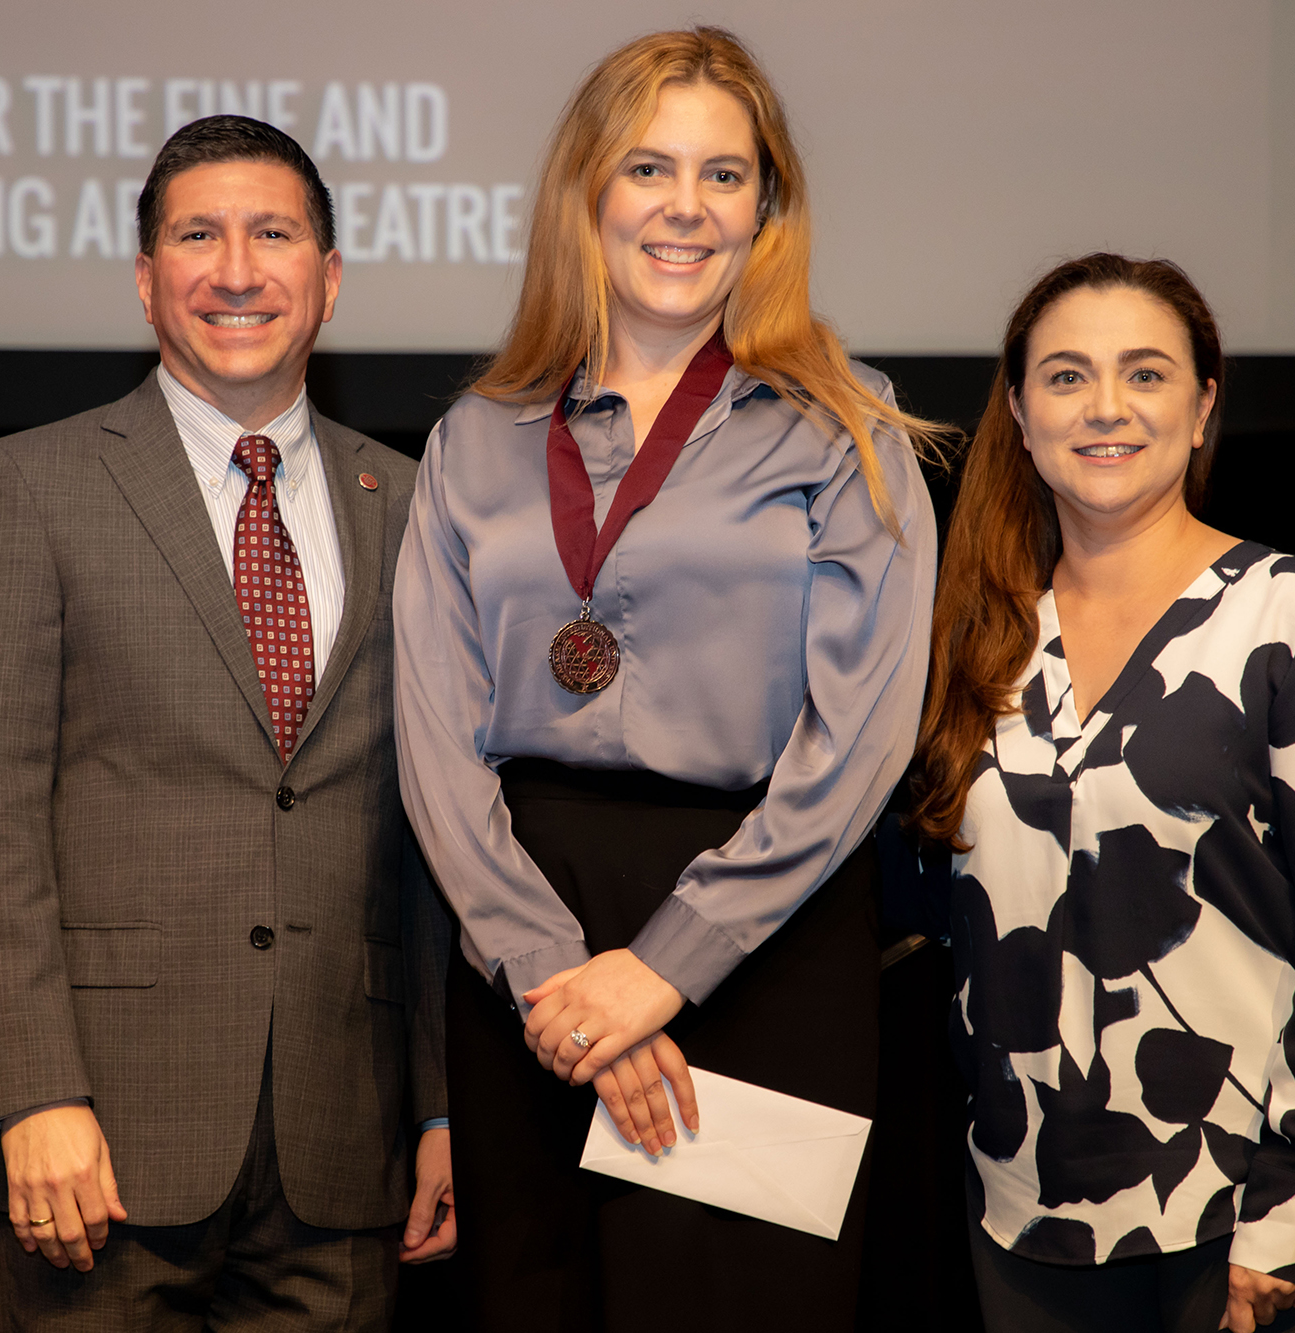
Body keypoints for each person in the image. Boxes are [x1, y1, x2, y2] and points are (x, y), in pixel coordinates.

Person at [393, 26, 938, 1331]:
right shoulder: (475, 438)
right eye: (647, 168)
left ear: (768, 208)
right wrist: (555, 974)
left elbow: (858, 742)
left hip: (768, 939)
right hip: (528, 958)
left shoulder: (845, 431)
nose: (685, 207)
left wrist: (666, 967)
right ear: (588, 191)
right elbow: (432, 743)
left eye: (725, 175)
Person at [0, 115, 454, 1332]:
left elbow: (432, 836)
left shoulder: (414, 505)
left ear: (327, 279)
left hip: (344, 1148)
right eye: (196, 235)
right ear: (145, 278)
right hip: (97, 1144)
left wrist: (436, 1104)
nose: (234, 269)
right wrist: (30, 1093)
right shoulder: (30, 486)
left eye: (273, 234)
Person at [905, 254, 1295, 1333]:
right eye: (1064, 376)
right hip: (1024, 1214)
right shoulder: (972, 640)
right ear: (1016, 409)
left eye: (1143, 374)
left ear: (1200, 408)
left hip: (1258, 1206)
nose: (1103, 408)